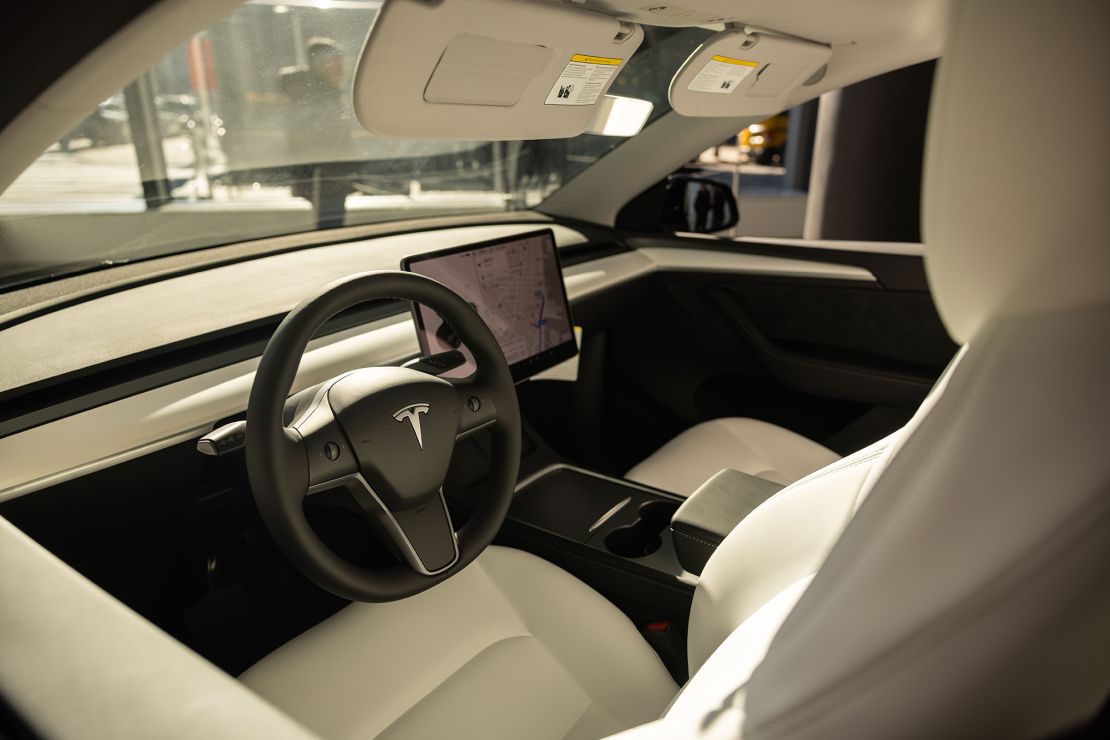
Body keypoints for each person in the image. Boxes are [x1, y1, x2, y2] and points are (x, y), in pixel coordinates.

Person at [282, 38, 355, 230]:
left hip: (326, 175)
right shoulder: (318, 94)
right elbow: (321, 135)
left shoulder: (324, 91)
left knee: (329, 225)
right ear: (319, 64)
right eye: (335, 61)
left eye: (341, 61)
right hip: (326, 175)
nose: (341, 67)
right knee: (330, 227)